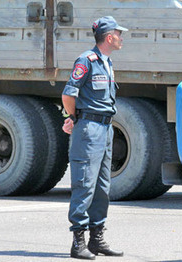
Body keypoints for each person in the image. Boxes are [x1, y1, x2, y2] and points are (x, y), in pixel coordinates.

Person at [61, 16, 127, 260]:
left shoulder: (107, 63)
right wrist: (73, 117)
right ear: (109, 37)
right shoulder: (86, 61)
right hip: (89, 130)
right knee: (84, 184)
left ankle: (96, 239)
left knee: (101, 187)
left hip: (106, 129)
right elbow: (69, 95)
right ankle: (78, 242)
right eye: (119, 34)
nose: (122, 38)